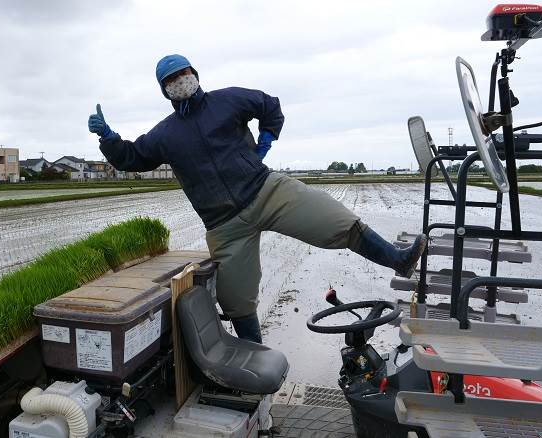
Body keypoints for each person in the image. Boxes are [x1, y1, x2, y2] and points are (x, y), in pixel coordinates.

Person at [88, 54, 427, 344]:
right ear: (165, 91)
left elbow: (269, 105)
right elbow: (132, 157)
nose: (180, 81)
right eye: (170, 80)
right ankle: (255, 361)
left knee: (336, 221)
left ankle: (398, 259)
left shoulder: (228, 99)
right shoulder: (165, 134)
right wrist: (108, 137)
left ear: (195, 74)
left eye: (183, 74)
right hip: (224, 225)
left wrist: (266, 137)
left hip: (266, 190)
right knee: (236, 300)